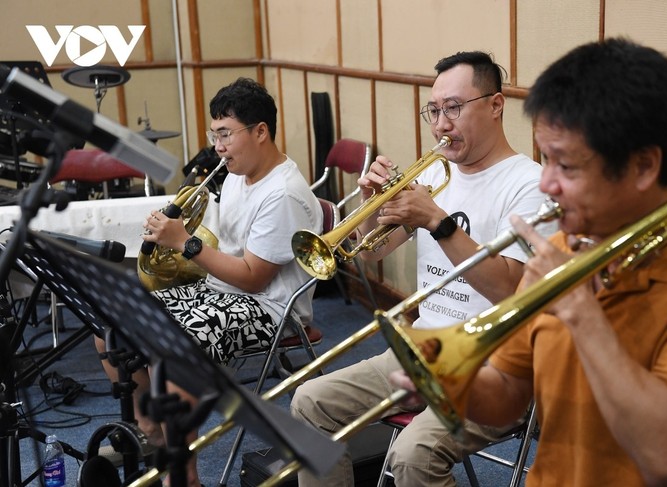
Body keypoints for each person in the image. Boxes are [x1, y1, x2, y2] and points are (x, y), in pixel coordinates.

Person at [392, 38, 667, 486]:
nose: (547, 184)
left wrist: (582, 314)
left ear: (644, 167)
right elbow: (508, 393)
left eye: (566, 166)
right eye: (545, 159)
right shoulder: (564, 250)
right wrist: (448, 381)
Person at [291, 51, 555, 486]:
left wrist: (438, 221)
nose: (440, 125)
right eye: (433, 111)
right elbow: (373, 252)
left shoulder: (529, 185)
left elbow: (513, 290)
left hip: (496, 368)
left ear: (495, 105)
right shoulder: (435, 174)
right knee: (308, 403)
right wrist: (372, 205)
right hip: (420, 352)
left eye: (453, 108)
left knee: (413, 455)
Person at [97, 77, 323, 487]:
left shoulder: (283, 193)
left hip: (271, 308)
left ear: (260, 131)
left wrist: (184, 242)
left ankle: (184, 476)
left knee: (172, 345)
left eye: (225, 135)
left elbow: (253, 279)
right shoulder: (237, 173)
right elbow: (224, 246)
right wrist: (177, 235)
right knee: (108, 318)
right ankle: (150, 430)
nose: (217, 147)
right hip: (221, 290)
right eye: (213, 135)